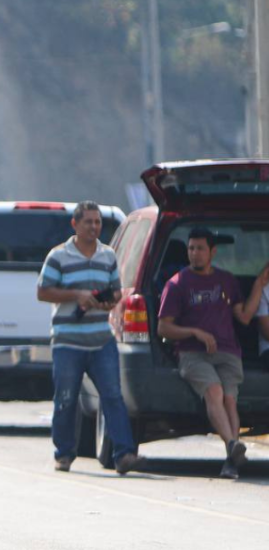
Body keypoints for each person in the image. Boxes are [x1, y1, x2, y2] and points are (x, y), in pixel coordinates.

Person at [37, 200, 145, 475]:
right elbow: (43, 292)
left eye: (97, 222)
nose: (94, 227)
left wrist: (109, 300)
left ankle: (124, 454)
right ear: (75, 224)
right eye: (88, 222)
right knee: (66, 398)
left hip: (101, 339)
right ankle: (64, 453)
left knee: (113, 397)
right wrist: (77, 296)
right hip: (67, 341)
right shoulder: (58, 256)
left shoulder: (108, 256)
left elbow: (117, 290)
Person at [157, 228, 268, 479]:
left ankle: (232, 458)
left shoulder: (226, 280)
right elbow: (163, 327)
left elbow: (244, 316)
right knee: (214, 391)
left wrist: (259, 285)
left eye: (200, 249)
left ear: (212, 252)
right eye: (191, 248)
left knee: (230, 399)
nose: (194, 254)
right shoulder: (177, 284)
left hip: (228, 351)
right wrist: (194, 332)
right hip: (192, 353)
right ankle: (232, 445)